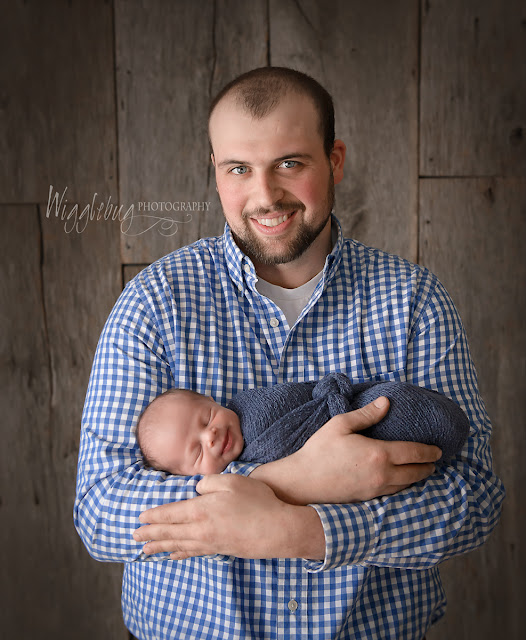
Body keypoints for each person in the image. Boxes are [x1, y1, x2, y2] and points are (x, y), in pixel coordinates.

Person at [74, 66, 504, 640]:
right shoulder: (155, 303)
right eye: (238, 169)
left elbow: (474, 500)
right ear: (217, 172)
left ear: (336, 160)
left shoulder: (414, 302)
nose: (265, 195)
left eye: (290, 163)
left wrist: (302, 531)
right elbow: (101, 510)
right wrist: (294, 481)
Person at [136, 374, 471, 476]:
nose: (211, 435)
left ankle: (437, 421)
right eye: (196, 452)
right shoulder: (243, 469)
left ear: (216, 401)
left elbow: (297, 396)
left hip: (353, 407)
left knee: (393, 405)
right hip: (362, 452)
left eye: (207, 418)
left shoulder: (250, 404)